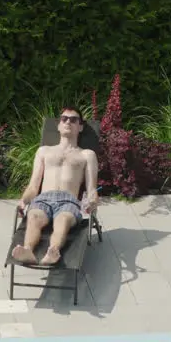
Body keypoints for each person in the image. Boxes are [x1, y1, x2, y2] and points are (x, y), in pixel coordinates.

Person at [11, 107, 100, 266]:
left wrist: (92, 202)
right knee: (33, 217)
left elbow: (91, 188)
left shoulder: (87, 155)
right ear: (58, 125)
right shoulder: (44, 151)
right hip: (43, 198)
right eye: (64, 118)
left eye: (73, 120)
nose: (68, 122)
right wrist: (23, 201)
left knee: (63, 219)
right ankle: (28, 251)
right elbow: (33, 185)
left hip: (69, 201)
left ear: (80, 127)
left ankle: (53, 251)